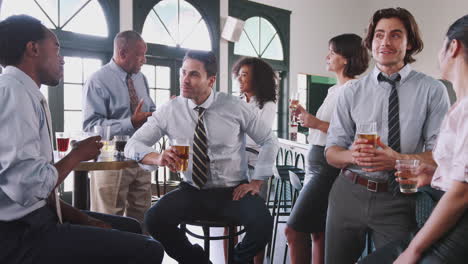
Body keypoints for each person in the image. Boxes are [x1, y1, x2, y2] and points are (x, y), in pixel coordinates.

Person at [0, 15, 163, 264]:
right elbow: (30, 188)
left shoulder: (25, 92)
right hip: (23, 232)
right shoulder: (14, 93)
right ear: (33, 49)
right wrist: (76, 155)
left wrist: (83, 218)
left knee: (132, 227)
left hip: (41, 214)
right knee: (149, 250)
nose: (62, 58)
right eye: (57, 48)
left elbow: (37, 190)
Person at [125, 50, 278, 264]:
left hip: (232, 191)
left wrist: (257, 181)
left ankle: (237, 261)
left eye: (194, 74)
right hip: (192, 190)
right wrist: (157, 158)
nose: (185, 80)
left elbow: (269, 140)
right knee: (154, 219)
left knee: (262, 223)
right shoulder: (170, 110)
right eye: (183, 72)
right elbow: (133, 145)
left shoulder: (234, 107)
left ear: (211, 80)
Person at [324, 7, 450, 264]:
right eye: (379, 35)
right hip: (349, 193)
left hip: (399, 198)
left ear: (410, 42)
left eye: (395, 35)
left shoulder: (433, 90)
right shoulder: (351, 92)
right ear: (370, 43)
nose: (385, 42)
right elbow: (331, 152)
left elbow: (441, 155)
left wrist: (397, 160)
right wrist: (352, 155)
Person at [359, 14, 468, 264]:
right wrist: (434, 174)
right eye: (379, 34)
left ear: (453, 47)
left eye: (396, 34)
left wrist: (413, 251)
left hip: (458, 222)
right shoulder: (460, 105)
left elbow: (462, 193)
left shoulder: (449, 99)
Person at [284, 33, 369, 264]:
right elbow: (326, 127)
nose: (327, 56)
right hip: (316, 161)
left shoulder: (355, 89)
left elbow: (355, 133)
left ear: (345, 58)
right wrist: (306, 116)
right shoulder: (334, 90)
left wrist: (316, 123)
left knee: (293, 231)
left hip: (327, 167)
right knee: (318, 232)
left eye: (332, 52)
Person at [82, 30, 156, 223]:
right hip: (110, 161)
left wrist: (164, 112)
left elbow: (149, 110)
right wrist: (130, 123)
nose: (144, 60)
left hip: (141, 158)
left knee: (143, 218)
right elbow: (91, 126)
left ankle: (140, 254)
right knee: (108, 219)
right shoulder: (97, 80)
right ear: (123, 53)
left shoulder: (141, 78)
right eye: (140, 55)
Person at [226, 57, 278, 264]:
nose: (239, 79)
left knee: (256, 223)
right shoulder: (236, 102)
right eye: (238, 74)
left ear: (257, 78)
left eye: (244, 75)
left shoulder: (267, 104)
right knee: (229, 220)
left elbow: (259, 136)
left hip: (256, 167)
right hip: (234, 165)